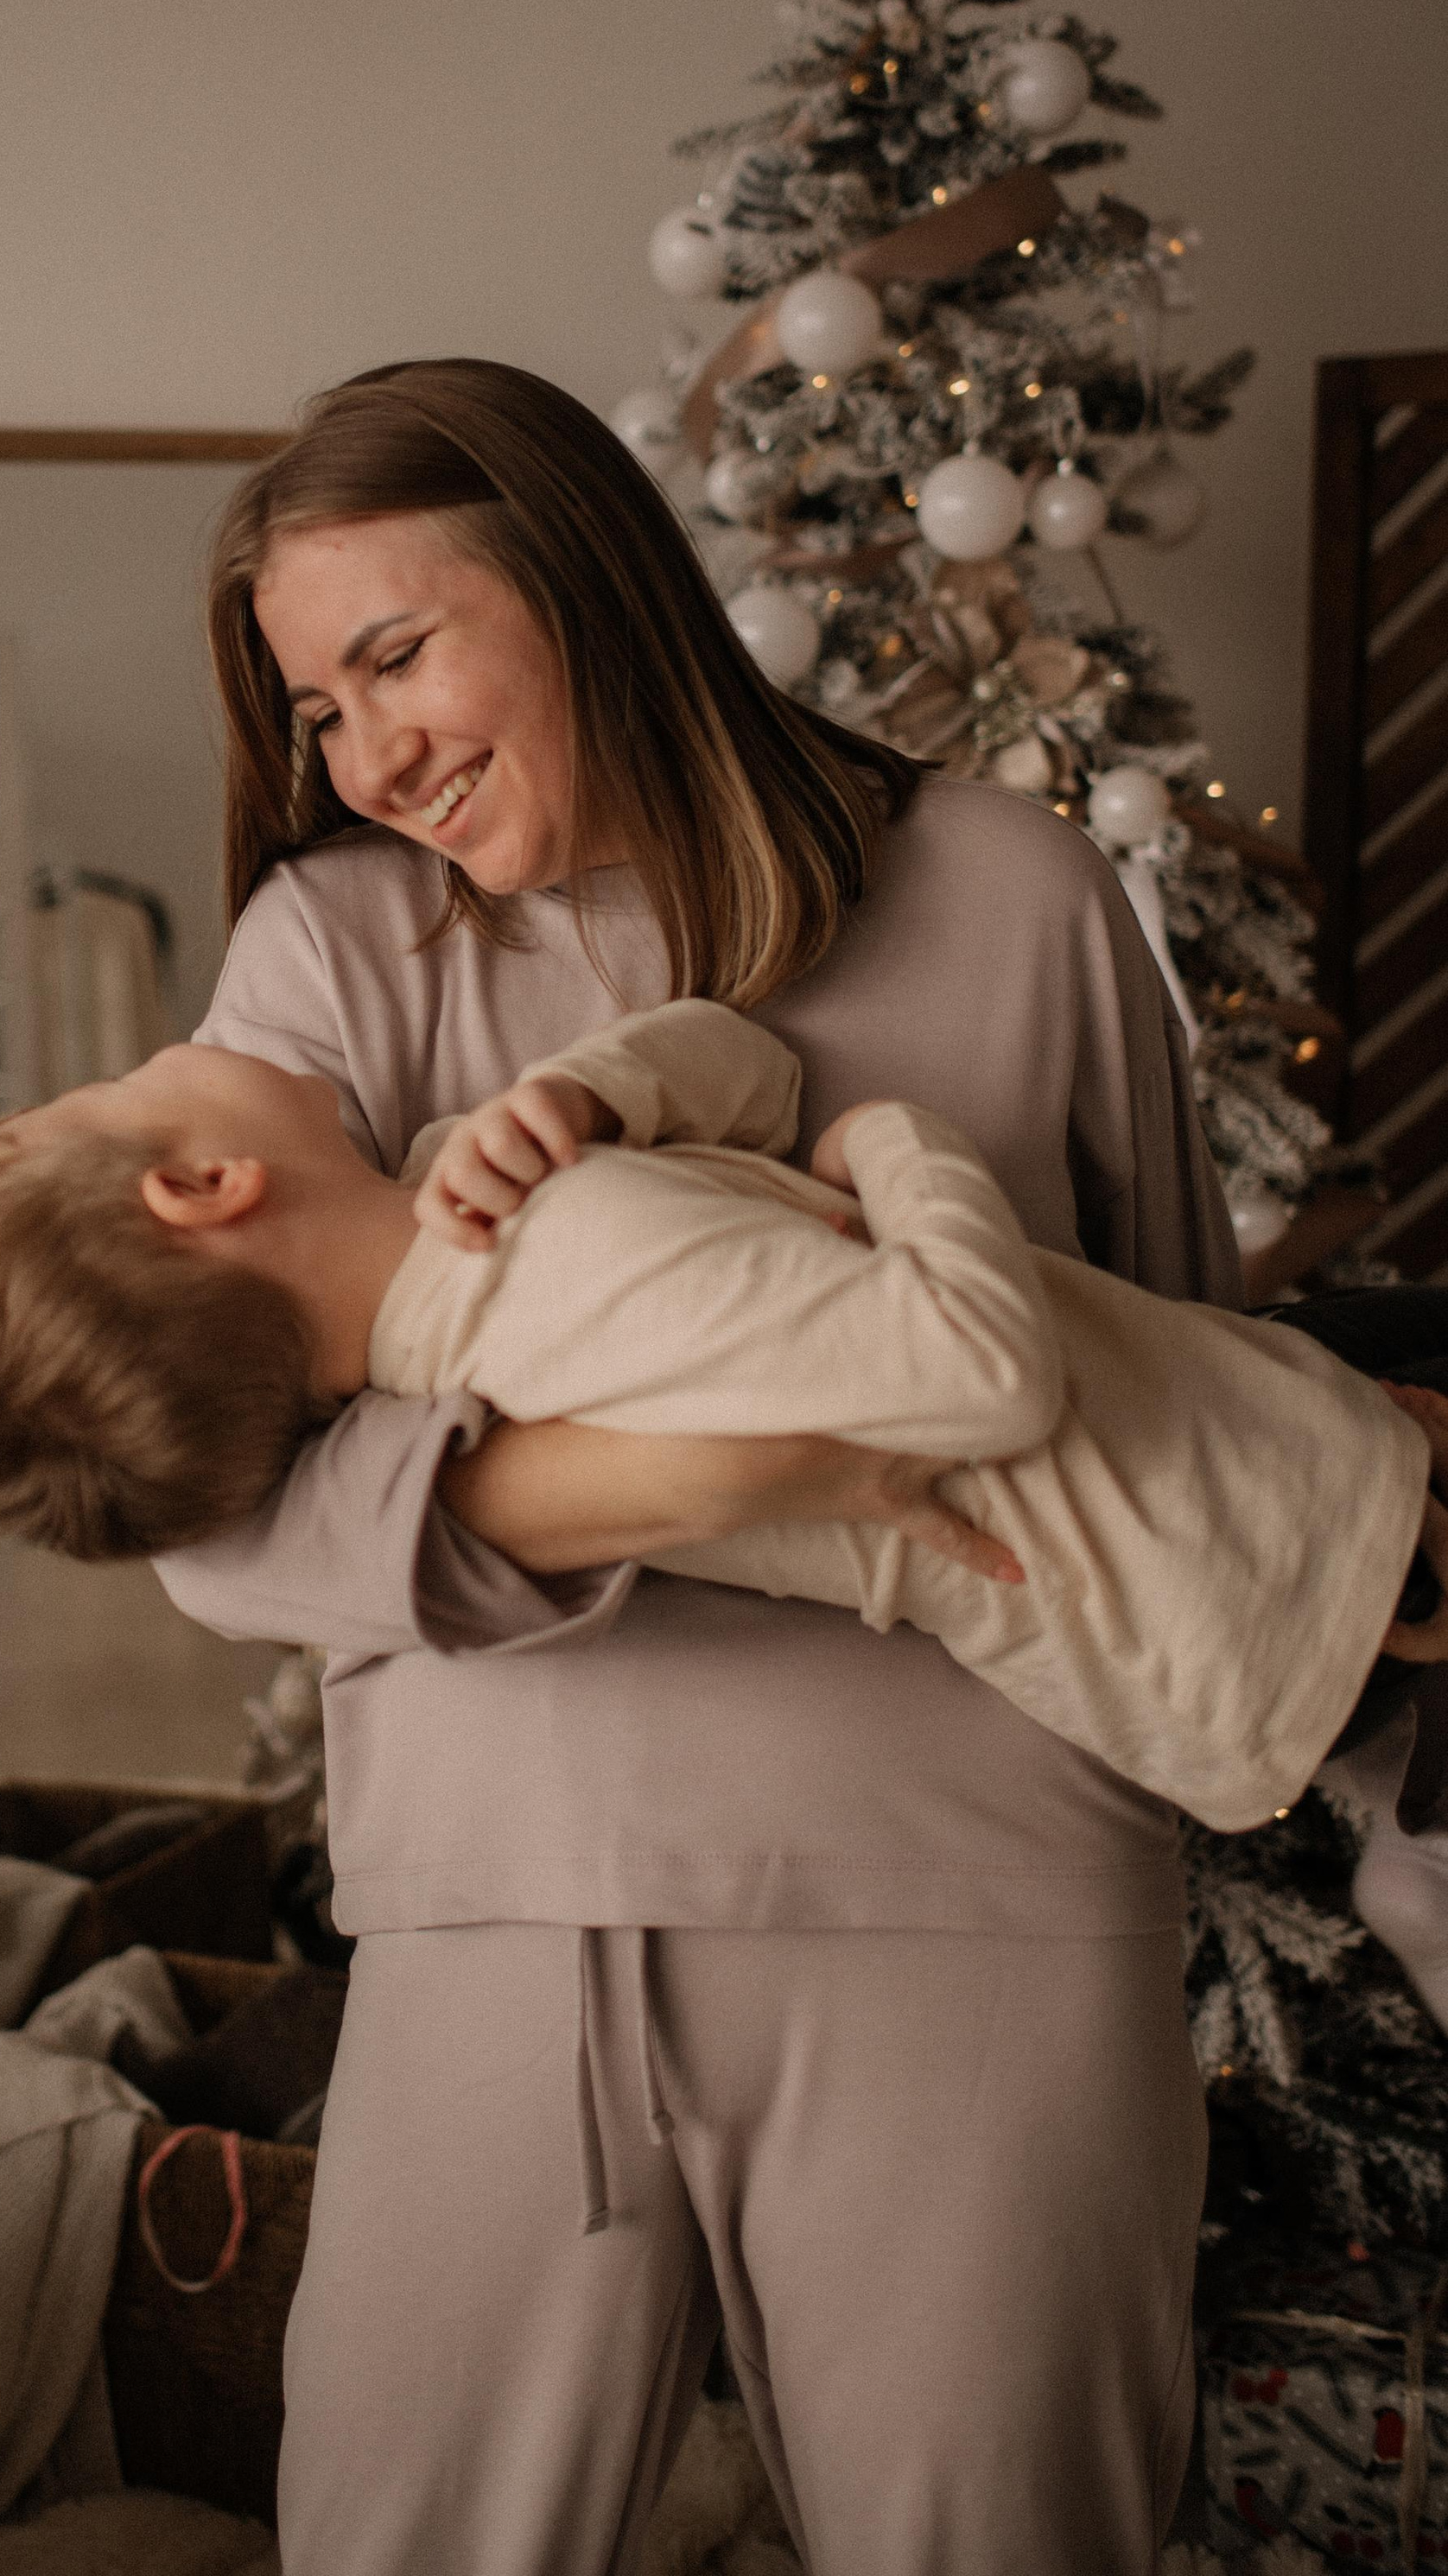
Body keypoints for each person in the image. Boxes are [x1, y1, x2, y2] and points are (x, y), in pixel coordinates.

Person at [82, 352, 1229, 2576]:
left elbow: (1178, 1370)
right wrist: (691, 1486)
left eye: (394, 655)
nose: (367, 751)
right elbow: (197, 1510)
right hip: (506, 1917)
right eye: (316, 707)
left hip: (980, 1901)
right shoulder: (328, 951)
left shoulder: (1016, 895)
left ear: (586, 570)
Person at [0, 997, 1448, 1839]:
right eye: (101, 1087)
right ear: (202, 1185)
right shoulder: (563, 1274)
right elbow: (980, 1371)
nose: (165, 1047)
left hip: (1271, 1500)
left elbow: (744, 1078)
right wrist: (899, 1138)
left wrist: (595, 1090)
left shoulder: (475, 1229)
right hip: (1295, 1548)